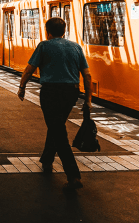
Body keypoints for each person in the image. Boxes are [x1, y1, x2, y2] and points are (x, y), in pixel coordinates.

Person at [17, 17, 91, 191]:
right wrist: (88, 99)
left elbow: (29, 69)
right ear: (64, 31)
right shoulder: (76, 47)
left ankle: (73, 176)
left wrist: (22, 87)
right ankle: (47, 160)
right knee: (56, 125)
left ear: (47, 31)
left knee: (58, 131)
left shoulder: (44, 46)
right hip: (71, 93)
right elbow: (87, 75)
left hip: (50, 93)